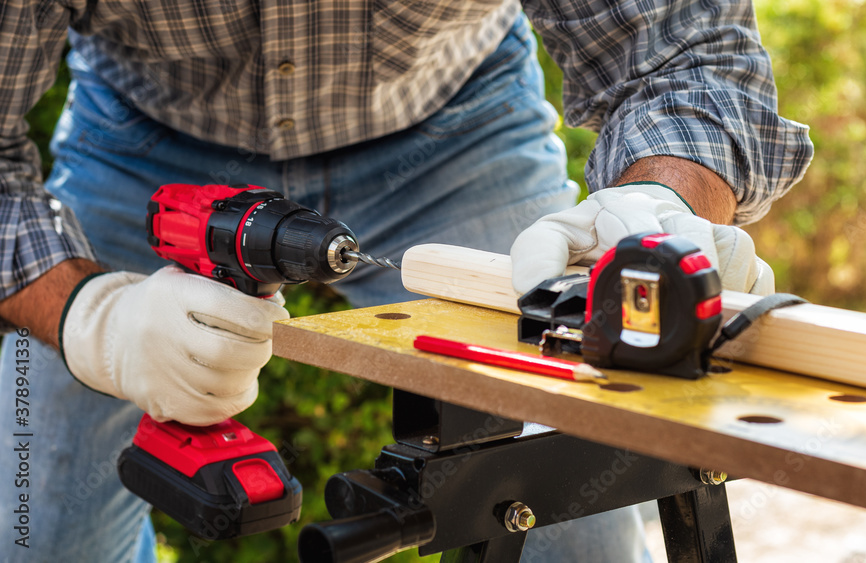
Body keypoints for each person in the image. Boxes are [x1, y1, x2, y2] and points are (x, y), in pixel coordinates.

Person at [0, 0, 812, 561]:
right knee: (38, 528)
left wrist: (661, 202)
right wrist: (87, 316)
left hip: (452, 124)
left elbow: (684, 51)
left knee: (574, 503)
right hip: (142, 139)